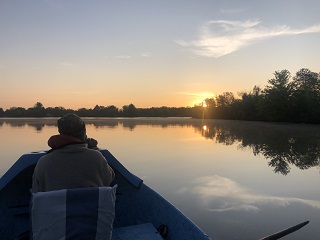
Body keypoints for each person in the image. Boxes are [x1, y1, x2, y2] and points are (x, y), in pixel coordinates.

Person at [32, 113, 115, 192]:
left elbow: (36, 190)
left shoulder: (43, 162)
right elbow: (109, 179)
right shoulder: (96, 157)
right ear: (83, 133)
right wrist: (94, 148)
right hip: (90, 207)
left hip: (56, 207)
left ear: (60, 133)